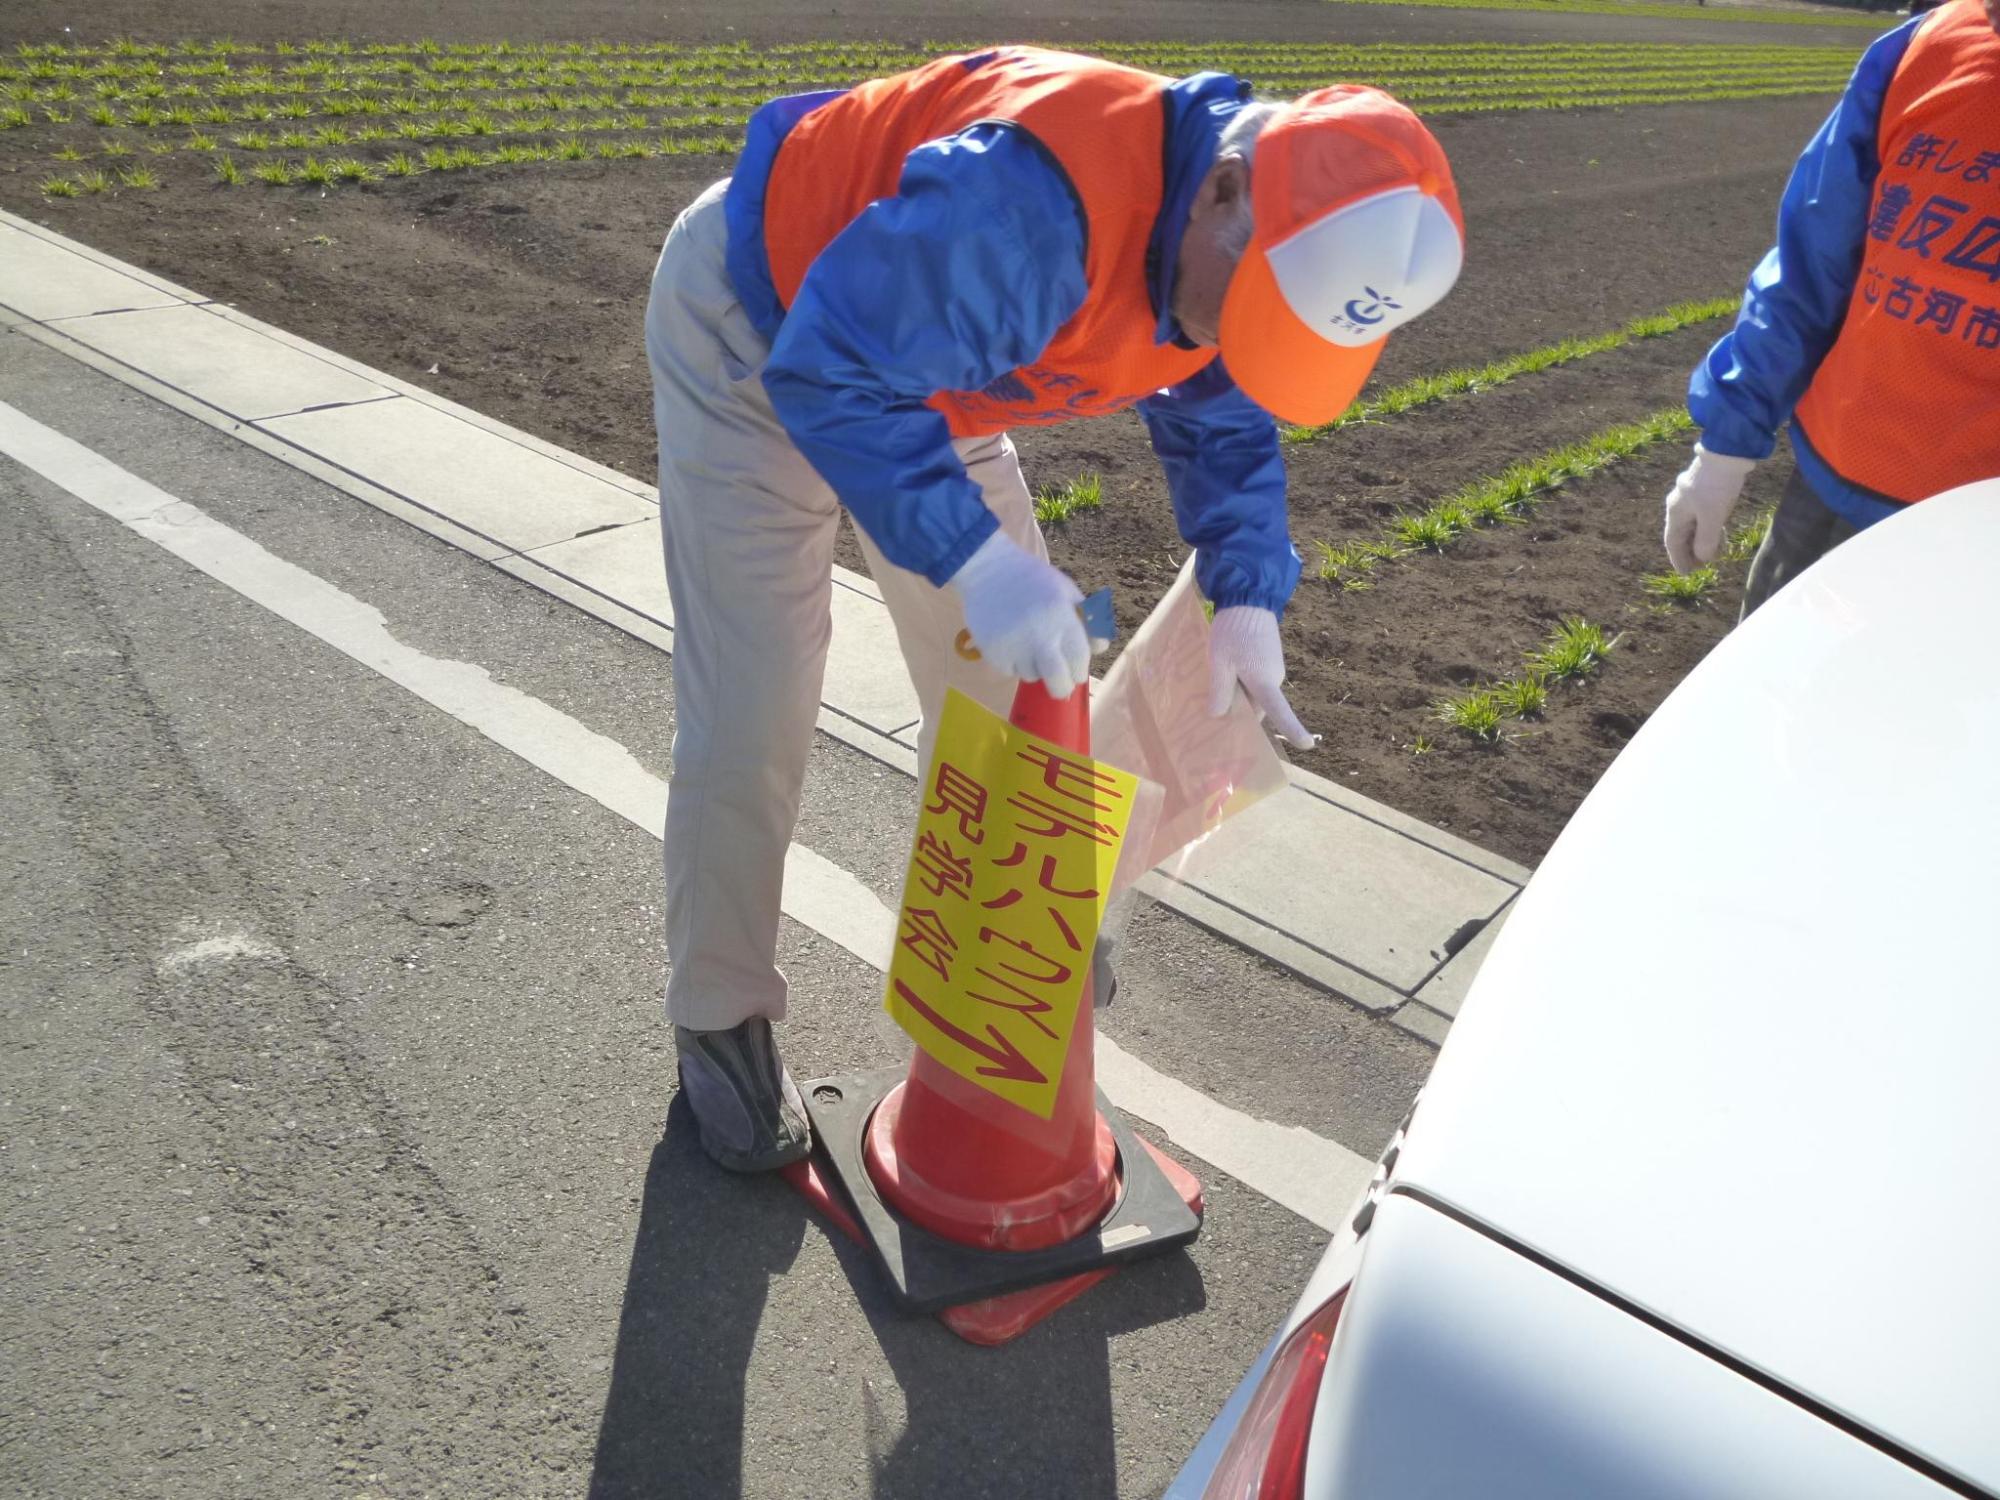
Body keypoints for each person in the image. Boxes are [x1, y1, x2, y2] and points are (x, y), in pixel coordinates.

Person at [645, 46, 1465, 1170]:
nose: (1240, 333)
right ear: (1222, 187)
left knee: (1020, 689)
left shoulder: (1226, 246)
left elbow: (1220, 411)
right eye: (1252, 304)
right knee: (755, 700)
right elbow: (830, 369)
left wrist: (1245, 588)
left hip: (939, 366)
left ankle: (1015, 944)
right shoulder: (1035, 205)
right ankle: (719, 1015)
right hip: (761, 327)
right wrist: (977, 564)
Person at [1663, 0, 2000, 617]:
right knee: (1771, 701)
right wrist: (1723, 452)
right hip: (1832, 495)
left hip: (1982, 542)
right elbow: (1812, 260)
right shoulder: (1931, 47)